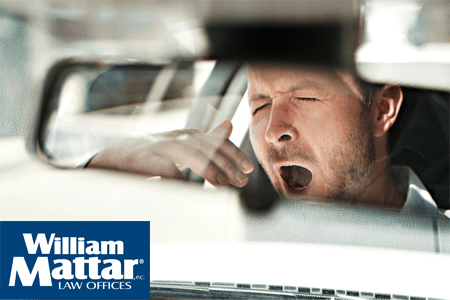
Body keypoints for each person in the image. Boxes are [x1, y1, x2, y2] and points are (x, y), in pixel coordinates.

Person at [86, 64, 442, 211]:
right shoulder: (219, 238)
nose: (273, 130)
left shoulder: (439, 252)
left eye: (305, 97)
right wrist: (105, 168)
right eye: (259, 106)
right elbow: (44, 276)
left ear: (382, 110)